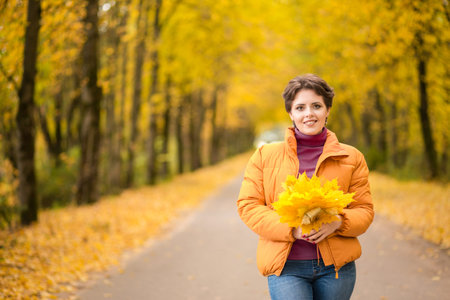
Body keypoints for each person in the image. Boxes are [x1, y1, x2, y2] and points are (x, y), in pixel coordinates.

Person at [237, 74, 374, 300]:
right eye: (300, 107)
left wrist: (339, 222)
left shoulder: (352, 157)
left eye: (316, 106)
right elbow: (248, 206)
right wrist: (292, 230)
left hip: (336, 269)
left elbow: (364, 210)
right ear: (291, 113)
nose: (309, 113)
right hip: (286, 266)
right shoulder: (264, 156)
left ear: (328, 109)